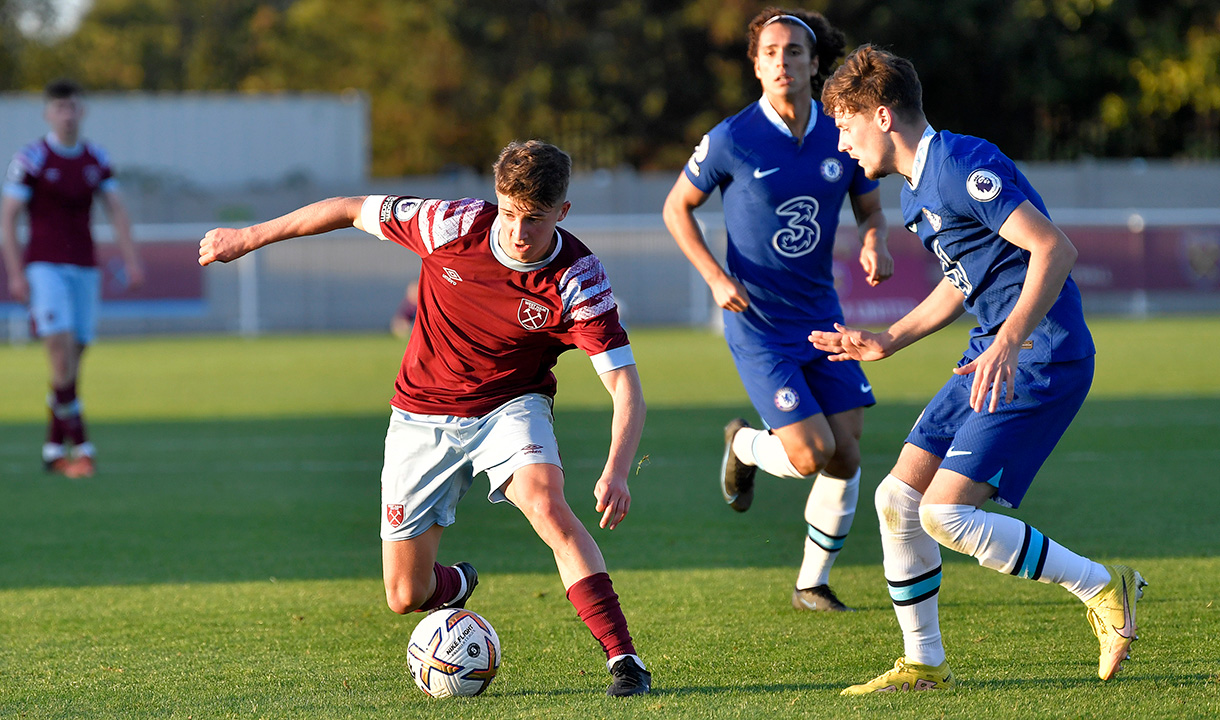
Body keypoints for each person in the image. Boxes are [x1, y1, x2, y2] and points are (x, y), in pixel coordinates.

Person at [198, 140, 652, 697]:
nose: (517, 231)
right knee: (404, 596)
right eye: (509, 213)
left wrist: (617, 470)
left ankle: (624, 660)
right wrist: (247, 237)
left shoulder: (576, 279)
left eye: (534, 219)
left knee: (548, 506)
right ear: (496, 200)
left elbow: (626, 387)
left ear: (562, 212)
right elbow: (345, 207)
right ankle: (456, 582)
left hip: (510, 405)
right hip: (420, 414)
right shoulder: (450, 224)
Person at [811, 44, 1146, 692]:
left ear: (881, 116)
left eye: (847, 129)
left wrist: (1009, 339)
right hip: (993, 351)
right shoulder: (915, 192)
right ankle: (924, 664)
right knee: (897, 499)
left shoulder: (963, 164)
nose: (845, 148)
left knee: (946, 516)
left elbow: (1055, 248)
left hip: (1039, 356)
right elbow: (964, 281)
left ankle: (1105, 589)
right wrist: (889, 339)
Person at [662, 8, 891, 612]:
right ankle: (743, 447)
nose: (783, 61)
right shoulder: (732, 138)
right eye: (771, 51)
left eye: (795, 51)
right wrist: (713, 276)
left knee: (846, 450)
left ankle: (811, 582)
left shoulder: (841, 134)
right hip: (758, 321)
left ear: (815, 64)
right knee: (810, 452)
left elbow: (869, 207)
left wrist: (875, 237)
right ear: (756, 64)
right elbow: (675, 209)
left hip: (822, 314)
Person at [1, 78, 144, 479]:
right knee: (60, 353)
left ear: (83, 112)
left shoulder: (95, 158)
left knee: (72, 364)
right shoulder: (31, 158)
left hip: (85, 269)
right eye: (60, 108)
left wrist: (132, 261)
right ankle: (83, 449)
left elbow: (116, 209)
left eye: (73, 107)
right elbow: (8, 218)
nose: (67, 115)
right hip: (44, 267)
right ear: (49, 113)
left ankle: (51, 450)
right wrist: (16, 273)